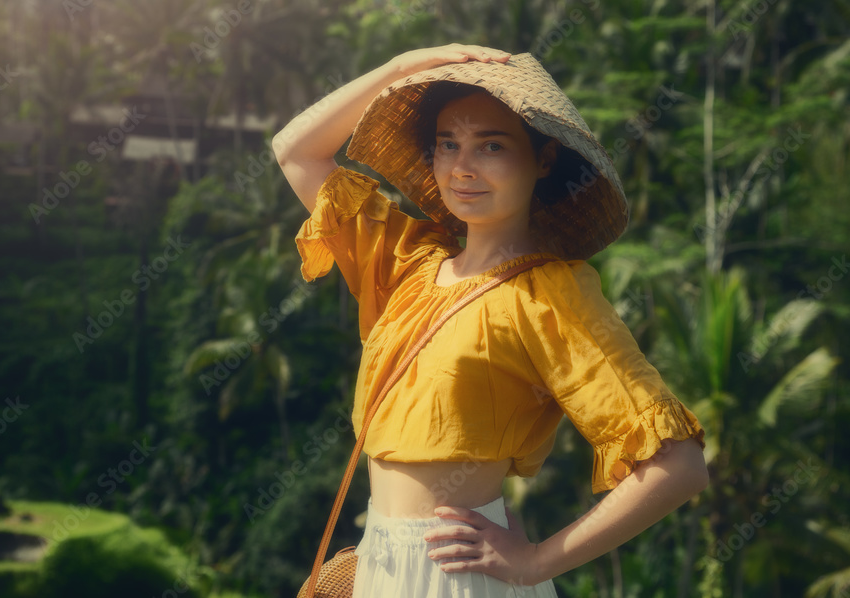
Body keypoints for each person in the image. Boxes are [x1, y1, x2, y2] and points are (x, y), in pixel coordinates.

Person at [273, 44, 708, 597]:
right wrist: (403, 67)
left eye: (492, 146)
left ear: (543, 160)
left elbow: (680, 465)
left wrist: (537, 562)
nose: (462, 167)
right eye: (447, 145)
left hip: (461, 577)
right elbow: (296, 152)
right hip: (378, 561)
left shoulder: (550, 293)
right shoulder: (409, 263)